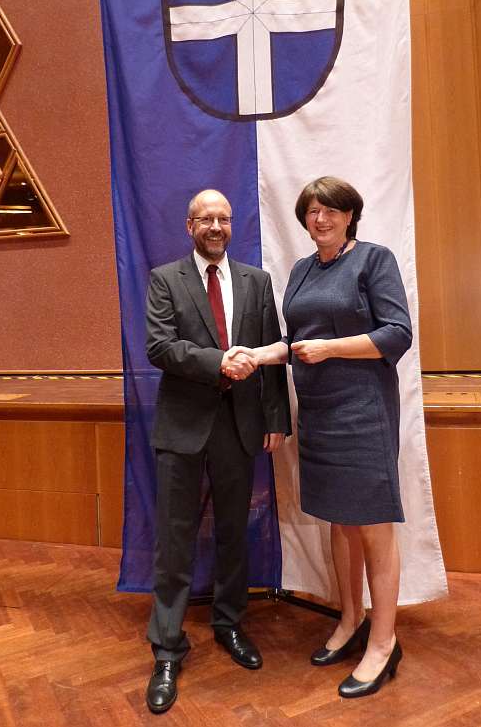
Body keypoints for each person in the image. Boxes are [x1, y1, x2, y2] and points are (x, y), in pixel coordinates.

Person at [225, 176, 412, 699]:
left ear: (350, 215)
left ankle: (383, 640)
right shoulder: (303, 270)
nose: (320, 219)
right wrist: (260, 355)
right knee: (338, 518)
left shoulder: (375, 260)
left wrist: (331, 350)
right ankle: (350, 619)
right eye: (311, 212)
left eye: (331, 210)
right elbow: (295, 341)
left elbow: (397, 333)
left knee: (373, 525)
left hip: (364, 410)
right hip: (320, 414)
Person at [145, 189, 290, 714]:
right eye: (205, 218)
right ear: (189, 226)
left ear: (233, 225)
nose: (215, 226)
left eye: (223, 218)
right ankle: (166, 650)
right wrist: (219, 363)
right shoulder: (166, 279)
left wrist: (276, 418)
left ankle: (229, 625)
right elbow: (159, 346)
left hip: (239, 428)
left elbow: (273, 349)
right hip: (183, 429)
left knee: (235, 534)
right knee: (175, 541)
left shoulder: (257, 281)